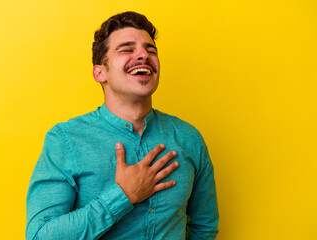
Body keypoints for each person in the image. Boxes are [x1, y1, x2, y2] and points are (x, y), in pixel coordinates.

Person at [26, 11, 219, 240]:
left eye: (150, 50)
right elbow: (40, 236)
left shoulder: (189, 138)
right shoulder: (66, 139)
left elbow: (204, 228)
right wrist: (123, 195)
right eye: (127, 49)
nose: (143, 56)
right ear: (100, 73)